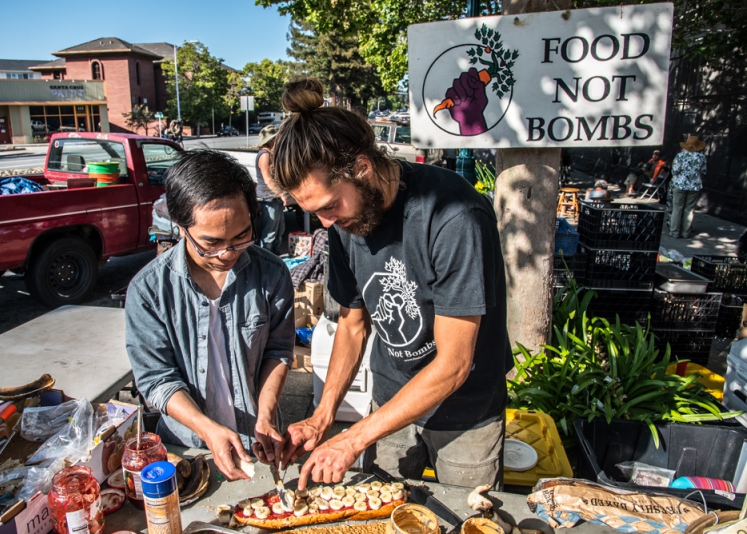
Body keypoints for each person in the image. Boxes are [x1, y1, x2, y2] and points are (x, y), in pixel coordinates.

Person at [272, 78, 512, 490]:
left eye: (330, 206)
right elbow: (352, 324)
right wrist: (323, 415)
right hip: (390, 397)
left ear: (362, 168)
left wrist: (354, 438)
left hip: (466, 412)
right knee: (380, 507)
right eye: (315, 213)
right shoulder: (341, 224)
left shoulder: (453, 216)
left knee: (466, 512)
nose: (326, 223)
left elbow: (453, 365)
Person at [124, 150, 295, 480]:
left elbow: (278, 351)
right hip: (186, 448)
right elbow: (156, 379)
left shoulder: (272, 274)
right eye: (211, 243)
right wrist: (206, 429)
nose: (227, 253)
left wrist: (265, 414)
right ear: (180, 227)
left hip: (257, 439)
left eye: (241, 237)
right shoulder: (148, 290)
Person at [255, 125, 288, 255]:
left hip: (274, 198)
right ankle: (266, 258)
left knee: (279, 231)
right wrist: (282, 194)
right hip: (268, 199)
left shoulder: (270, 154)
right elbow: (268, 179)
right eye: (276, 138)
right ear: (270, 140)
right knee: (270, 233)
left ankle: (276, 257)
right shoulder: (264, 155)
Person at [670, 135, 707, 239]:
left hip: (680, 184)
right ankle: (685, 233)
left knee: (677, 208)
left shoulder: (680, 156)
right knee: (689, 210)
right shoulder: (701, 157)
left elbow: (675, 171)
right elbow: (704, 171)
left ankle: (674, 232)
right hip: (694, 186)